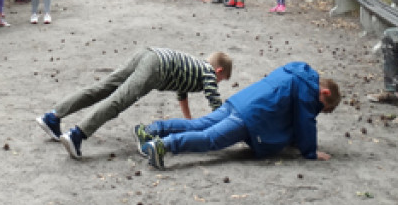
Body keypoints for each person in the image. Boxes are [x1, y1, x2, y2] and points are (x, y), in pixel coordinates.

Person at [135, 62, 341, 170]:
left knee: (199, 124)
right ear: (325, 93)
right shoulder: (308, 92)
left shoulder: (296, 73)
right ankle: (164, 146)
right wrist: (311, 152)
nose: (316, 110)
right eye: (321, 107)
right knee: (210, 139)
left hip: (239, 101)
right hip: (250, 117)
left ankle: (152, 130)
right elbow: (305, 122)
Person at [36, 47, 230, 159]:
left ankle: (53, 117)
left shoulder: (194, 67)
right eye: (222, 79)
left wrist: (190, 123)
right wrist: (223, 128)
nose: (217, 82)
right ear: (219, 71)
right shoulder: (208, 73)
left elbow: (182, 94)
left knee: (103, 87)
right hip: (156, 68)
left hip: (149, 53)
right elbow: (215, 104)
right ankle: (77, 135)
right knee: (120, 100)